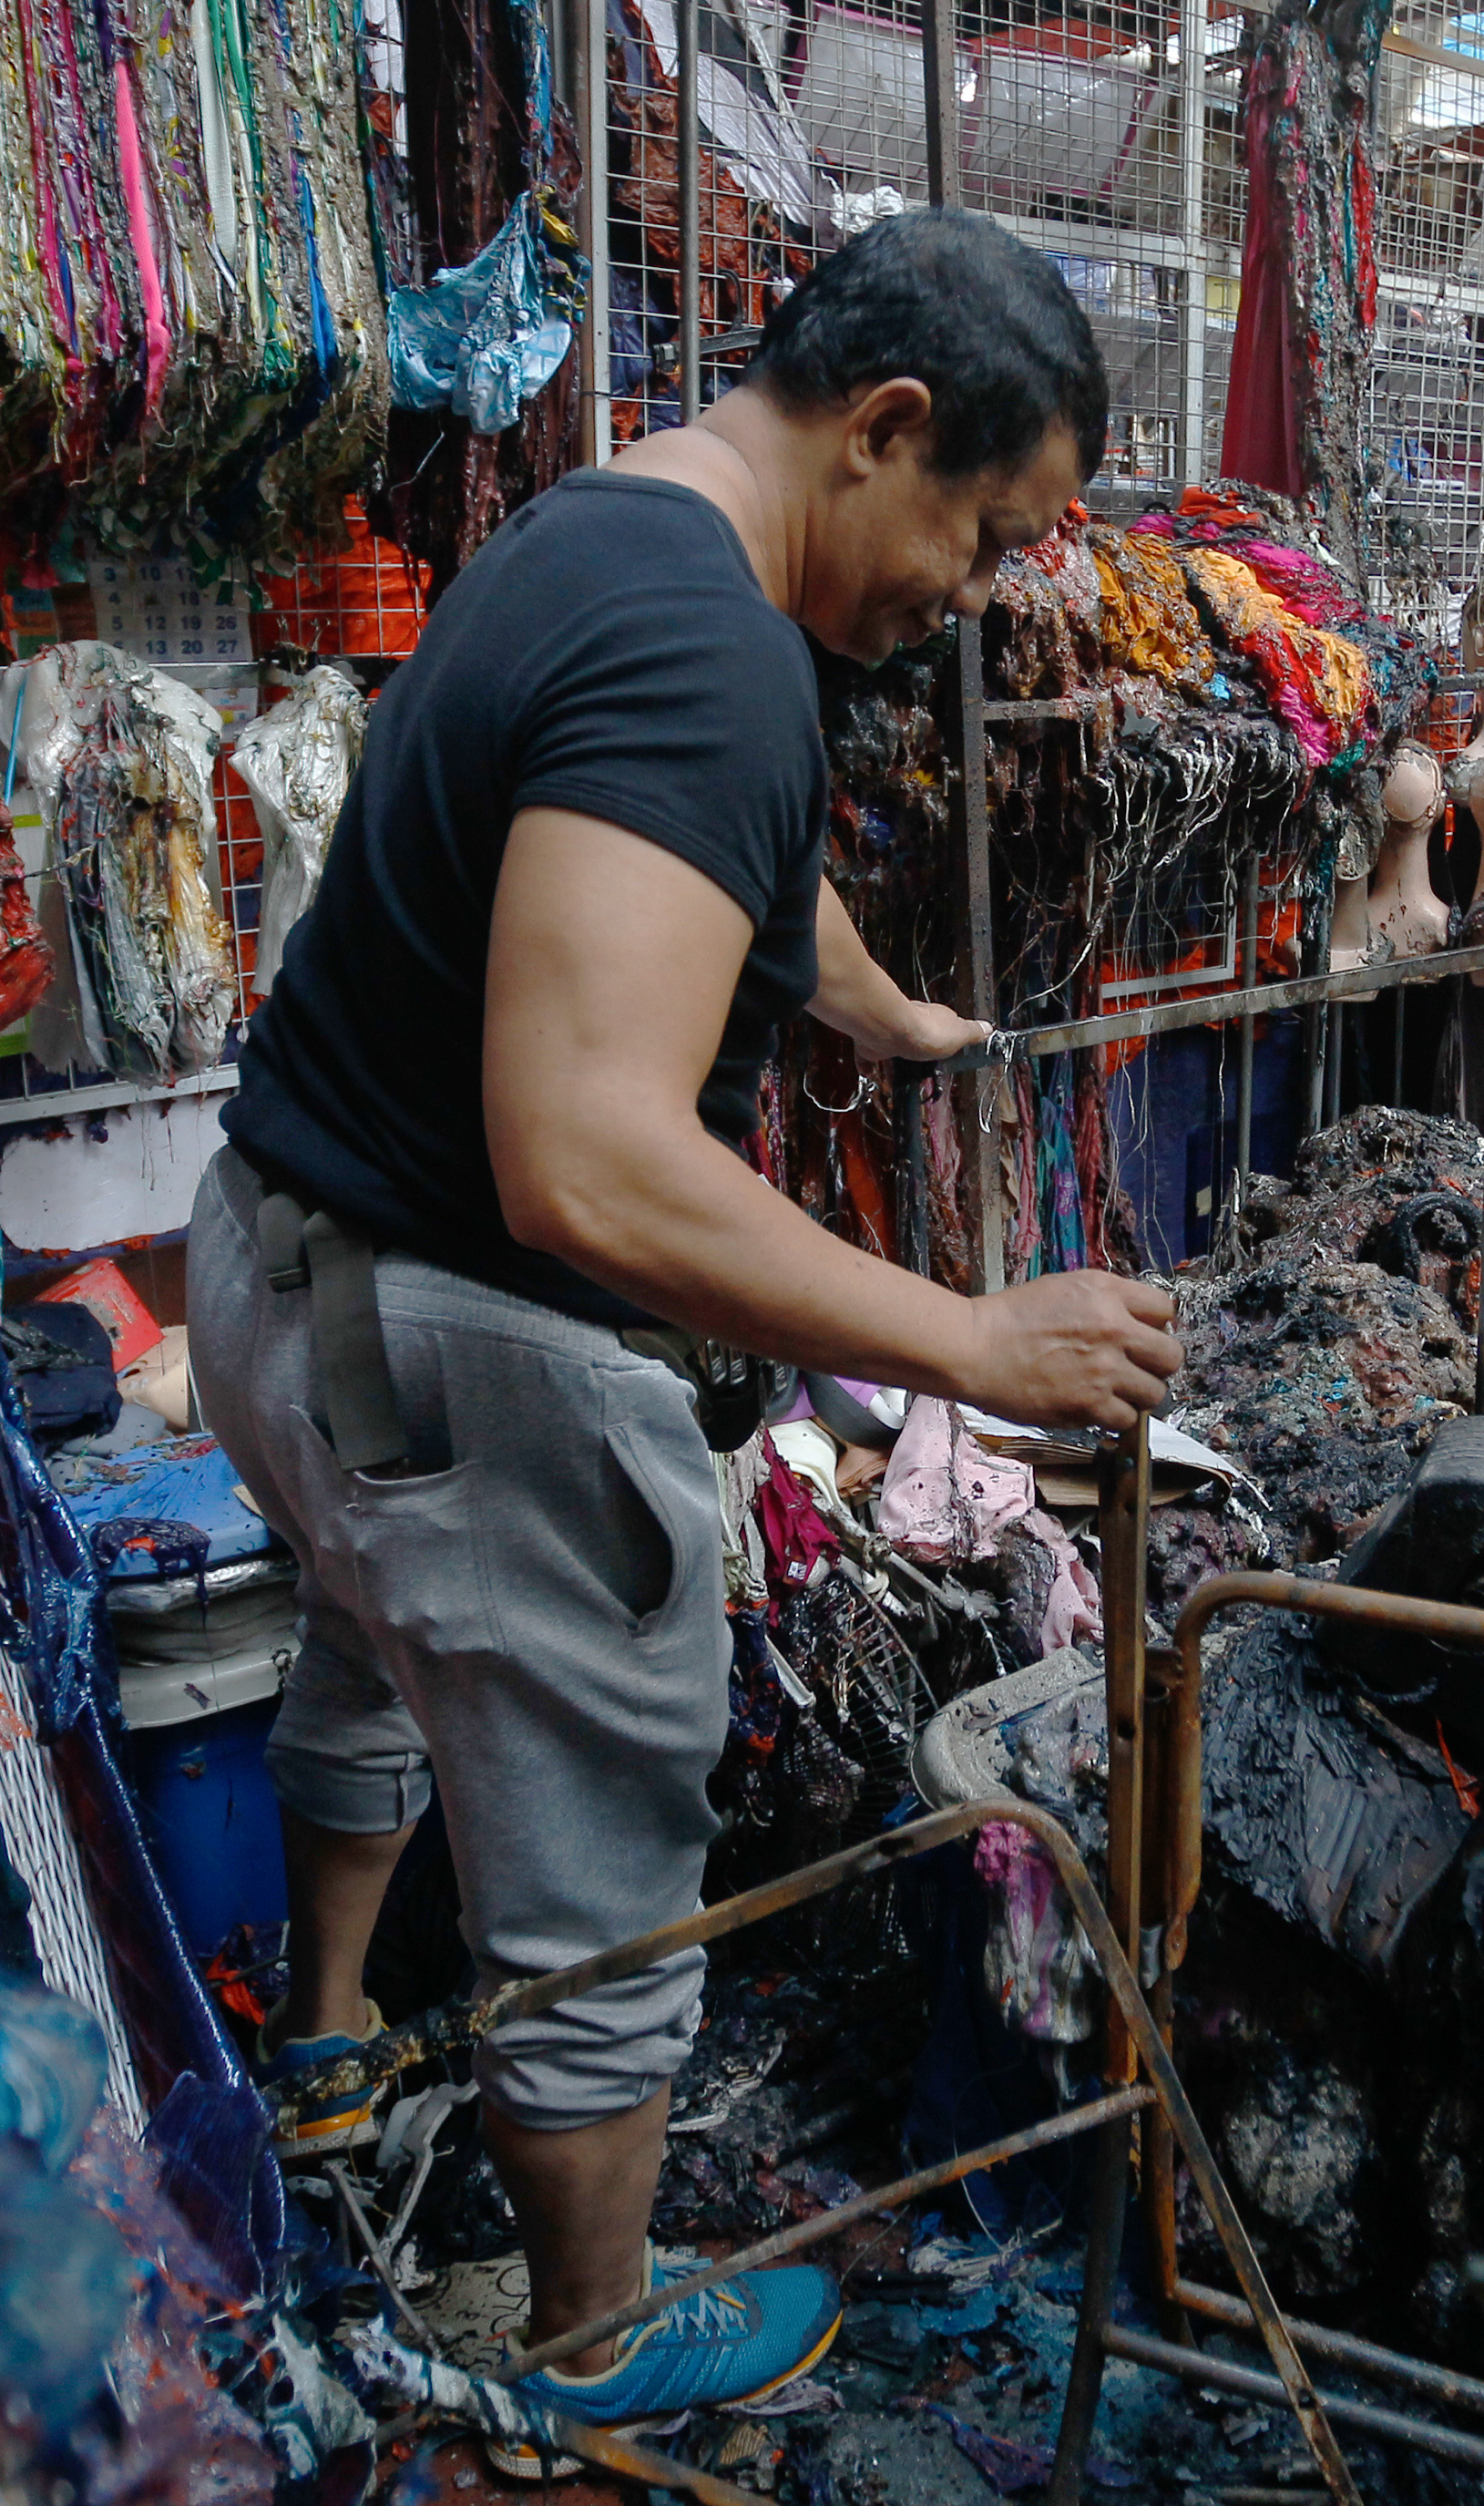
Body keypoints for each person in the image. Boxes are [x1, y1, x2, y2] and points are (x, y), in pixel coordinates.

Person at [186, 208, 1181, 2443]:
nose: (978, 594)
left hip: (270, 1275)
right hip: (457, 1354)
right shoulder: (714, 657)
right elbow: (590, 1160)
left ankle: (330, 2055)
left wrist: (867, 1001)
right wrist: (968, 1342)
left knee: (367, 1649)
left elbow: (698, 847)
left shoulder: (612, 531)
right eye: (987, 532)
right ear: (888, 429)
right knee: (597, 1853)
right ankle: (595, 2341)